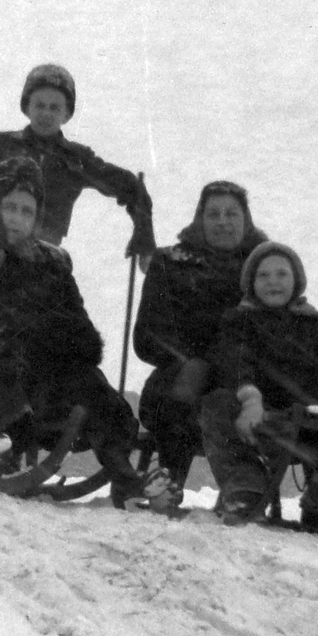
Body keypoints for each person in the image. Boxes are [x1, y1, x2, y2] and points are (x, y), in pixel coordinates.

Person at [0, 155, 172, 508]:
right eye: (9, 207)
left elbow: (83, 336)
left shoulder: (52, 262)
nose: (17, 219)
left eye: (26, 210)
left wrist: (43, 326)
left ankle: (122, 470)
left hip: (40, 379)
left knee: (88, 380)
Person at [200, 241, 318, 532]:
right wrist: (251, 400)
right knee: (216, 404)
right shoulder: (238, 319)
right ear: (251, 283)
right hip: (255, 411)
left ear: (296, 281)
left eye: (281, 274)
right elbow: (236, 363)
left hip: (303, 414)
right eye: (263, 276)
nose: (273, 282)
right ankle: (245, 485)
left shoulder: (314, 324)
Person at [0, 64, 156, 262]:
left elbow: (130, 186)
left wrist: (143, 235)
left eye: (55, 107)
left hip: (41, 259)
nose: (46, 114)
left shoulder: (76, 159)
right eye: (39, 105)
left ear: (67, 114)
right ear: (26, 107)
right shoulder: (3, 146)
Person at [132, 180, 269, 503]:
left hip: (243, 380)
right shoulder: (170, 264)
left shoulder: (265, 269)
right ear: (200, 218)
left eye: (232, 213)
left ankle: (245, 489)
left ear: (245, 219)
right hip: (179, 380)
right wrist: (192, 358)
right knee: (190, 379)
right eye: (214, 214)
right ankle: (168, 479)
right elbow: (147, 336)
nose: (223, 221)